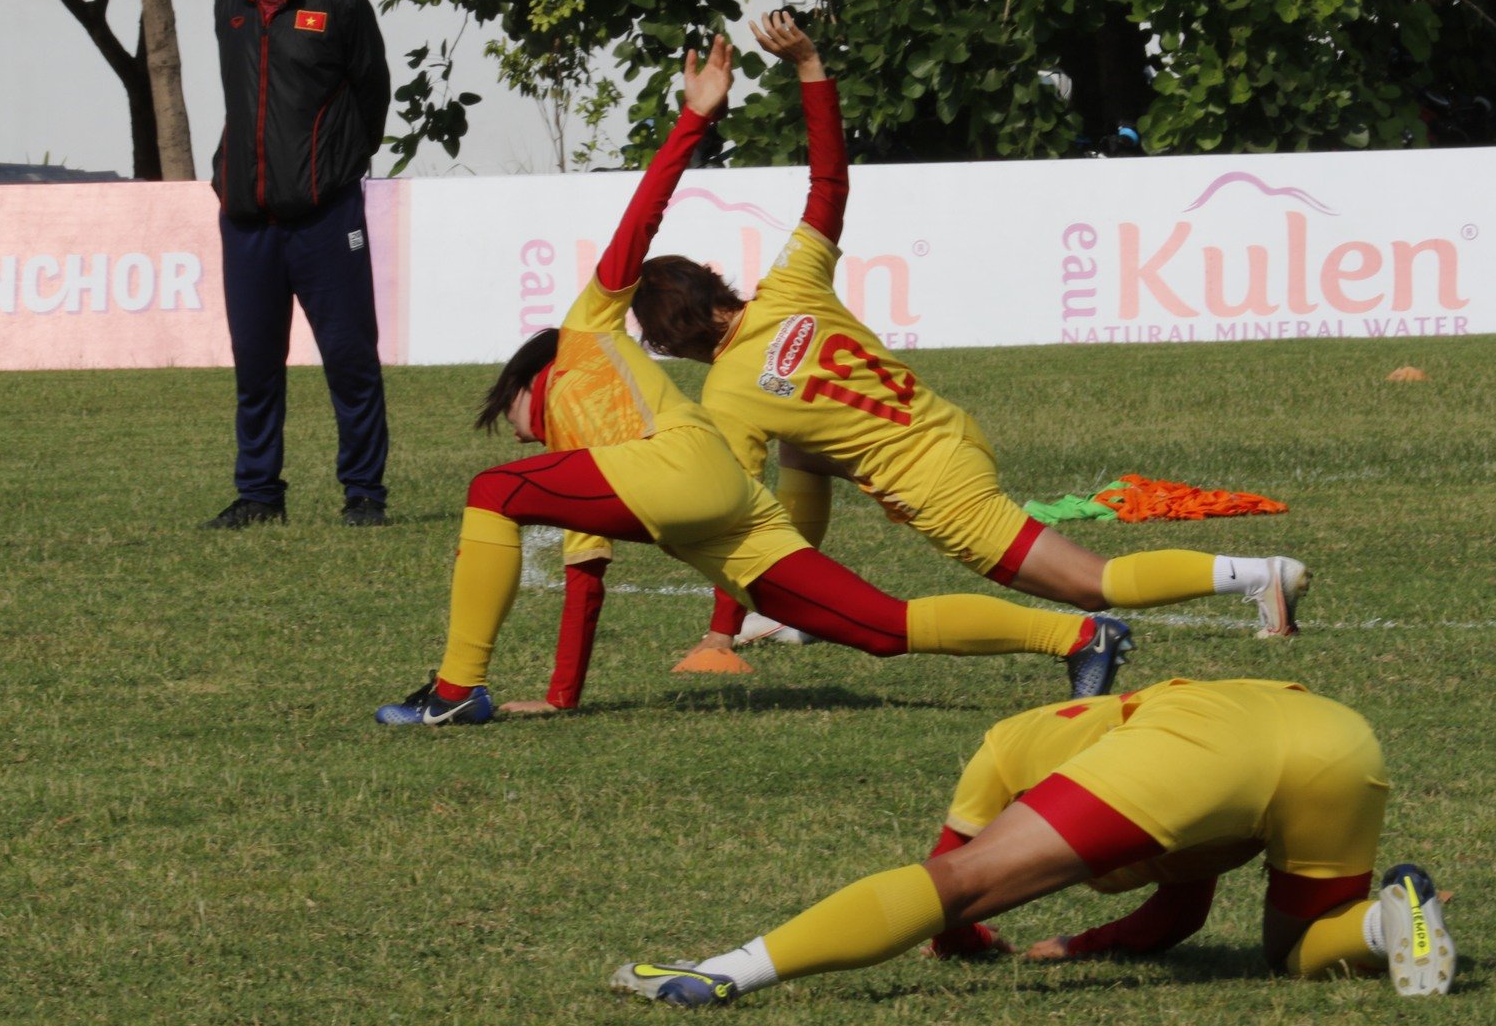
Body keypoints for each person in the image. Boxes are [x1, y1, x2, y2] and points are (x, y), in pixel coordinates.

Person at [374, 39, 1133, 726]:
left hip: (686, 473)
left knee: (491, 489)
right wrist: (562, 696)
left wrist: (695, 119)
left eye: (510, 408)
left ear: (528, 374)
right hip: (727, 511)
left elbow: (643, 215)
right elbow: (586, 578)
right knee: (882, 627)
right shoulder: (588, 468)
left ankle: (452, 691)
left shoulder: (585, 328)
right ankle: (1076, 633)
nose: (516, 428)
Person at [629, 12, 1308, 674]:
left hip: (941, 489)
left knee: (1090, 584)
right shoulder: (791, 285)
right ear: (715, 281)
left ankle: (1256, 576)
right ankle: (788, 609)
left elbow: (738, 513)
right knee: (801, 446)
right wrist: (810, 66)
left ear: (670, 343)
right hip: (948, 433)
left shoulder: (729, 395)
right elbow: (829, 182)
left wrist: (717, 633)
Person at [612, 677, 1457, 1005]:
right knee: (1295, 947)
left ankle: (725, 971)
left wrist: (974, 942)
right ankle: (1392, 917)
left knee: (967, 878)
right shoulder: (1118, 740)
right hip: (1342, 737)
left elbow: (954, 893)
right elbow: (1179, 909)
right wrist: (1080, 943)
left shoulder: (1006, 744)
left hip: (1202, 739)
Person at [200, 0, 393, 530]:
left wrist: (334, 169)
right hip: (247, 221)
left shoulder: (339, 4)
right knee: (256, 365)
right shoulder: (229, 4)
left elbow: (372, 97)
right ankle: (259, 493)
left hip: (325, 217)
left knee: (349, 357)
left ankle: (363, 491)